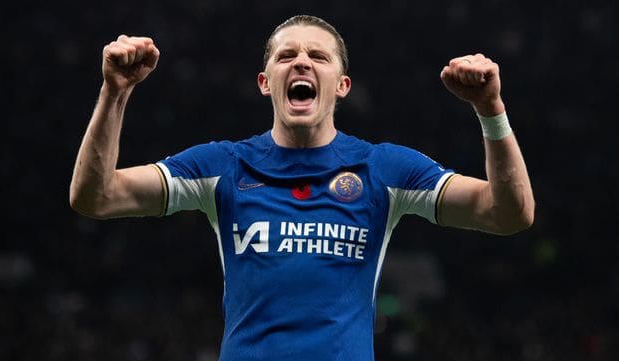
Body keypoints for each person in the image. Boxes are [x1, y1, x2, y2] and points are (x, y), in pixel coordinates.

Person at [70, 14, 534, 361]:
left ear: (342, 85)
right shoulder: (222, 166)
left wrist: (490, 109)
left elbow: (508, 214)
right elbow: (97, 197)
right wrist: (115, 92)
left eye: (318, 56)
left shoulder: (385, 169)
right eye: (286, 55)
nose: (301, 63)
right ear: (265, 81)